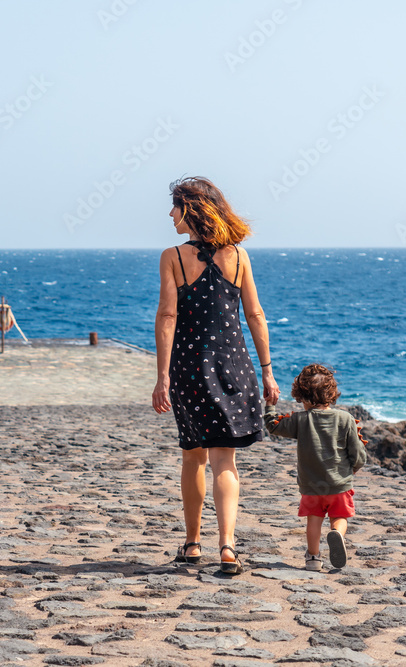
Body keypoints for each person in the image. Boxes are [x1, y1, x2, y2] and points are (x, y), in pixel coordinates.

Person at [152, 176, 279, 574]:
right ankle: (227, 547)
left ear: (191, 209)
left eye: (175, 207)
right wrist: (268, 373)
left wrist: (162, 377)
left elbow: (168, 316)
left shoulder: (172, 256)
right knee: (226, 462)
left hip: (190, 369)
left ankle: (192, 544)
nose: (170, 214)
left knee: (194, 457)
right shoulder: (239, 257)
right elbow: (255, 315)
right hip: (235, 366)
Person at [263, 363, 368, 571]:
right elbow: (357, 454)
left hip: (311, 486)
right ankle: (337, 533)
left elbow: (273, 425)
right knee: (340, 517)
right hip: (339, 484)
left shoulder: (300, 420)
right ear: (331, 393)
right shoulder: (345, 419)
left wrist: (270, 405)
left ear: (301, 395)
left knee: (313, 520)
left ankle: (313, 558)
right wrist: (353, 469)